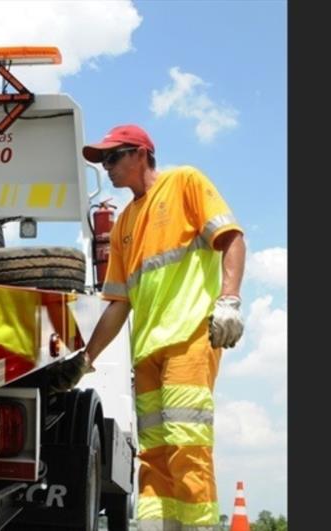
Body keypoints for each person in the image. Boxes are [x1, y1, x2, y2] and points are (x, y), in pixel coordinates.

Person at [54, 124, 245, 530]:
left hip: (189, 339)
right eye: (102, 160)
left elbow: (232, 239)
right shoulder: (124, 223)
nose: (106, 167)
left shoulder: (184, 183)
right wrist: (86, 359)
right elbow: (117, 305)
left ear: (141, 153)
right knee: (153, 459)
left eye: (112, 157)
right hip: (147, 353)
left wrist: (229, 300)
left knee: (186, 449)